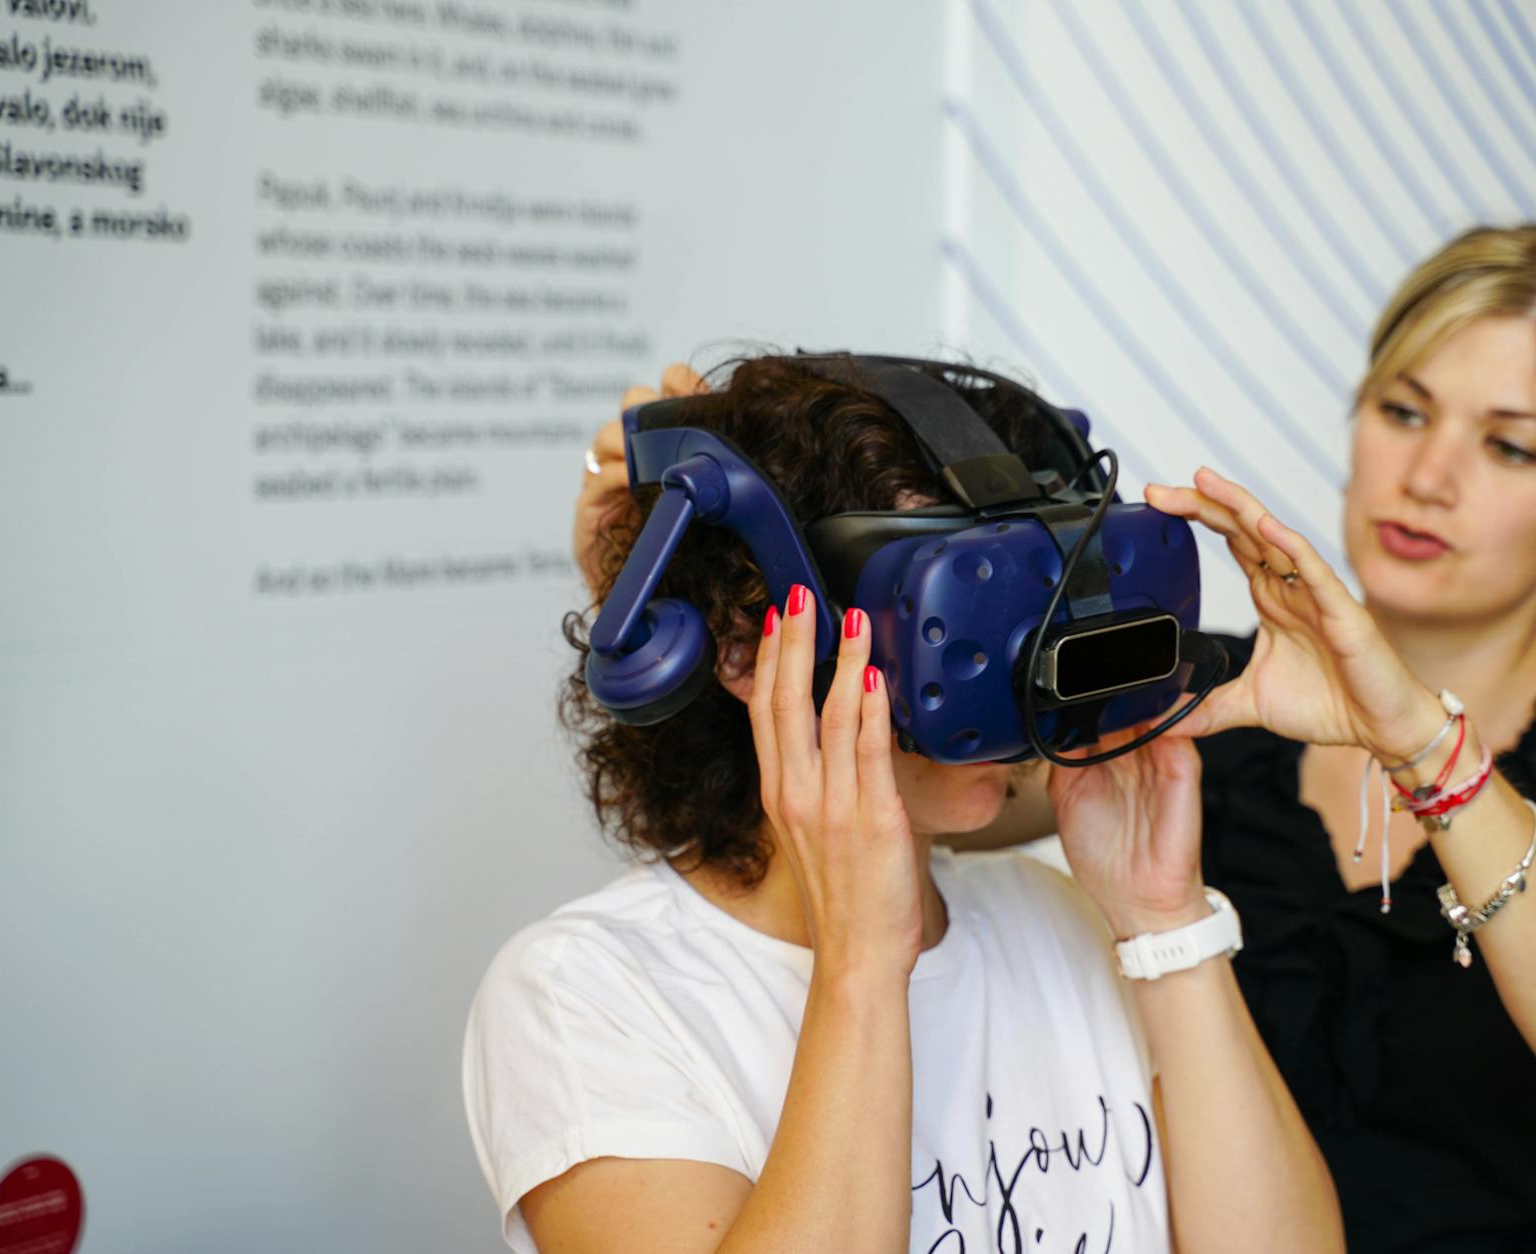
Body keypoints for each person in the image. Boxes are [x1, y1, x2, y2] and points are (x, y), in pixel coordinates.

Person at [569, 224, 1536, 1252]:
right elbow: (893, 782)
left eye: (1510, 443)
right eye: (1403, 411)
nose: (1430, 475)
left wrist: (1414, 742)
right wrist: (693, 587)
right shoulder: (1185, 710)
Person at [468, 356, 1343, 1253]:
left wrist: (1168, 926)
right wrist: (860, 965)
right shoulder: (584, 996)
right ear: (742, 647)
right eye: (957, 606)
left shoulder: (1066, 923)